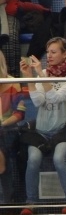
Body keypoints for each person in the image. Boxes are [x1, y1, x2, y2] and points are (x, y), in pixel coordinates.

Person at [19, 37, 66, 215]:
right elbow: (38, 101)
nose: (49, 56)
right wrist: (31, 77)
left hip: (64, 130)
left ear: (65, 54)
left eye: (53, 52)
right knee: (33, 160)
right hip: (42, 131)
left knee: (58, 159)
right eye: (48, 52)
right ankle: (31, 203)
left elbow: (55, 98)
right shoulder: (43, 72)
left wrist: (41, 74)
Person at [0, 49, 25, 203]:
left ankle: (5, 202)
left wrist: (2, 123)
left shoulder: (12, 83)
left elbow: (19, 113)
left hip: (9, 129)